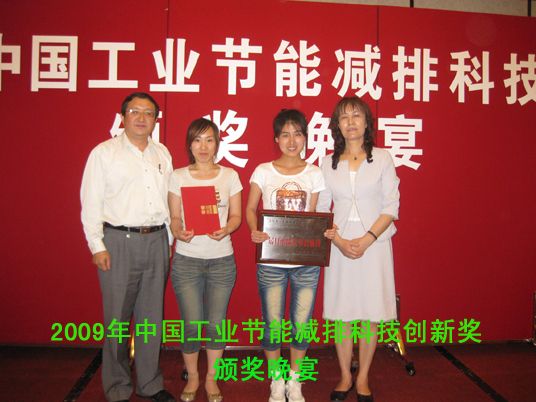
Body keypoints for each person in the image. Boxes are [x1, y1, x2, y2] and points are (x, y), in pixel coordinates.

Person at [80, 92, 176, 402]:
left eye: (148, 113)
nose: (141, 117)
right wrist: (97, 245)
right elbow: (90, 202)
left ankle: (150, 383)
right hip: (118, 242)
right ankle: (118, 387)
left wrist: (169, 240)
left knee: (151, 318)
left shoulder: (162, 153)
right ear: (123, 117)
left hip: (157, 240)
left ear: (155, 120)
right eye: (135, 111)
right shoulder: (104, 153)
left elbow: (168, 201)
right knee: (117, 319)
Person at [318, 96, 400, 402]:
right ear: (337, 125)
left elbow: (391, 206)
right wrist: (339, 241)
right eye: (344, 117)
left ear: (367, 122)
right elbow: (322, 209)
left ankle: (363, 376)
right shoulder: (327, 163)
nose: (350, 122)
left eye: (356, 116)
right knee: (342, 313)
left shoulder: (383, 158)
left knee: (370, 313)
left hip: (374, 244)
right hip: (339, 243)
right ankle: (344, 375)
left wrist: (367, 239)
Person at [246, 109, 325, 402]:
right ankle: (276, 380)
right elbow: (250, 209)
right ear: (276, 139)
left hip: (306, 262)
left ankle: (295, 380)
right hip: (272, 261)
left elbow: (314, 215)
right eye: (285, 135)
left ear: (305, 137)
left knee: (302, 324)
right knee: (273, 324)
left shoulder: (314, 173)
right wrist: (255, 230)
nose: (292, 141)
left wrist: (325, 231)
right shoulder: (263, 171)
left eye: (298, 134)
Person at [168, 118, 242, 402]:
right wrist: (178, 231)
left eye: (209, 140)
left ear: (217, 144)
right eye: (197, 140)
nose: (203, 146)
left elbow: (236, 216)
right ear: (190, 144)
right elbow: (175, 217)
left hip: (221, 260)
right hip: (187, 260)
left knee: (215, 323)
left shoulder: (229, 176)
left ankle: (211, 378)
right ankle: (193, 376)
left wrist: (227, 228)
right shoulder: (178, 176)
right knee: (191, 323)